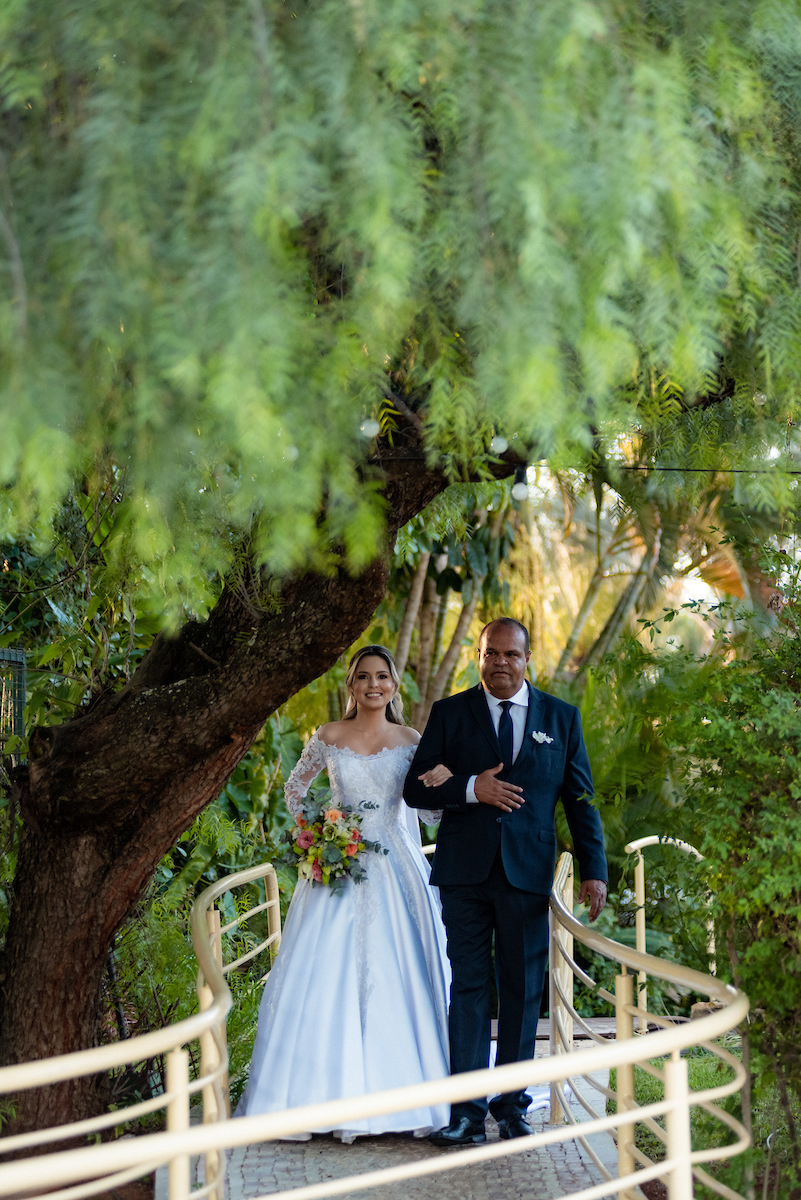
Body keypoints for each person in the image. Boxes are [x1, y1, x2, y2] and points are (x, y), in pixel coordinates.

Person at [404, 617, 608, 1147]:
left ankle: (512, 1108)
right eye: (490, 653)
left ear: (527, 658)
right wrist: (472, 788)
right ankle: (466, 1113)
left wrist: (595, 869)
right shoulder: (451, 713)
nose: (500, 662)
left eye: (510, 655)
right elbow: (414, 789)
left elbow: (580, 799)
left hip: (527, 874)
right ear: (479, 655)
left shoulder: (560, 718)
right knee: (468, 988)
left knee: (521, 991)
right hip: (464, 874)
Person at [236, 645, 450, 1142]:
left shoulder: (412, 738)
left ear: (394, 684)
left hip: (398, 868)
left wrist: (441, 787)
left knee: (404, 971)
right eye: (363, 677)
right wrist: (321, 829)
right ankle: (316, 1098)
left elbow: (429, 810)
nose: (373, 685)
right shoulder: (329, 736)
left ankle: (408, 1098)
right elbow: (295, 788)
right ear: (350, 685)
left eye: (382, 677)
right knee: (324, 974)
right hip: (341, 865)